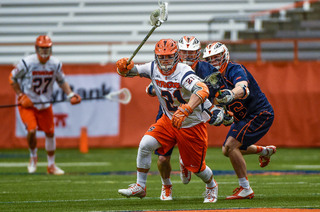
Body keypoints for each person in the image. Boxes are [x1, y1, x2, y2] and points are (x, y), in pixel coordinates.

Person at [116, 38, 219, 203]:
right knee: (145, 145)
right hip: (168, 120)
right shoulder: (152, 67)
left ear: (176, 56)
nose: (165, 61)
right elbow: (131, 71)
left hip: (191, 123)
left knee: (197, 168)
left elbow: (203, 89)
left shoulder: (183, 71)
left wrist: (187, 108)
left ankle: (212, 186)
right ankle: (140, 186)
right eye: (162, 57)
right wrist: (122, 67)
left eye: (169, 57)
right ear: (156, 57)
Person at [145, 36, 230, 200]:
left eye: (191, 52)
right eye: (184, 52)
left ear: (198, 53)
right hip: (168, 115)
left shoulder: (208, 69)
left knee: (197, 165)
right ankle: (166, 185)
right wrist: (155, 87)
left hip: (194, 117)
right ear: (178, 52)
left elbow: (219, 94)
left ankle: (189, 164)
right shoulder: (168, 66)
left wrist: (220, 110)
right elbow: (150, 89)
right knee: (162, 158)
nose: (188, 55)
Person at [202, 41, 276, 199]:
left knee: (230, 147)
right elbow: (216, 101)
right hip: (243, 116)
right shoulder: (211, 78)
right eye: (210, 59)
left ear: (225, 56)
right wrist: (224, 113)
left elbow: (242, 88)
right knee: (226, 150)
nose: (214, 62)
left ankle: (246, 188)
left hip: (258, 113)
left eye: (217, 58)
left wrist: (231, 94)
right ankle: (264, 151)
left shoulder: (234, 68)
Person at [9, 35, 82, 175]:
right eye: (42, 48)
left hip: (45, 103)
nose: (44, 51)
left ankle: (51, 165)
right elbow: (12, 78)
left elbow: (61, 81)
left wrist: (70, 94)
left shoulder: (55, 63)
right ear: (36, 48)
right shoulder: (27, 62)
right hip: (28, 103)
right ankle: (33, 157)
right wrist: (21, 95)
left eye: (47, 48)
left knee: (50, 132)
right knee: (31, 130)